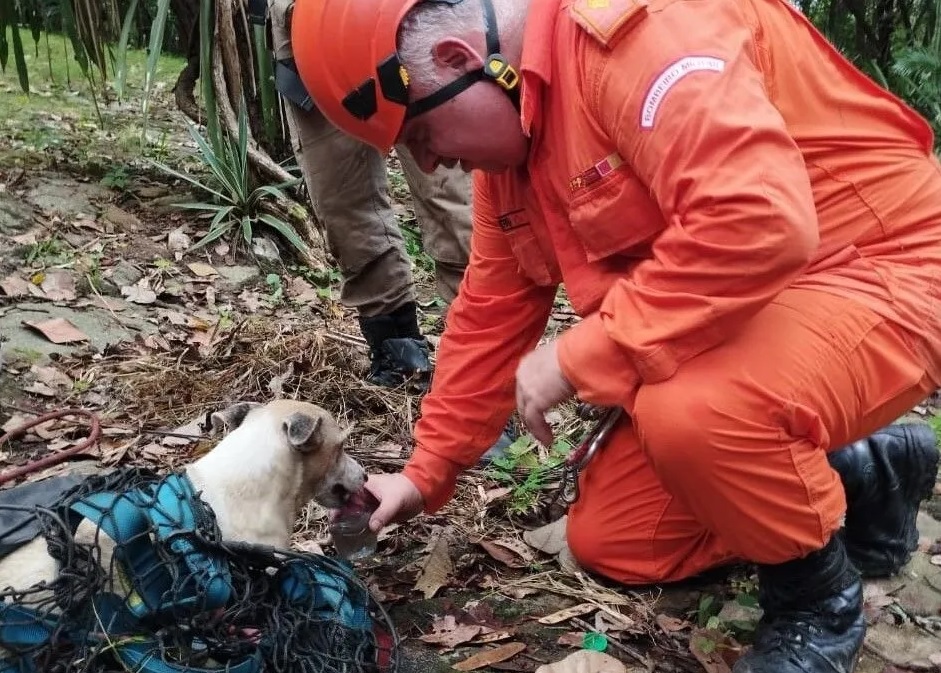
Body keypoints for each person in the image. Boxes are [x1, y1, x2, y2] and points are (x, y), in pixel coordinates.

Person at [290, 0, 941, 670]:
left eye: (420, 136)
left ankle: (818, 602)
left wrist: (581, 355)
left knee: (692, 414)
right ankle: (861, 467)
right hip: (748, 311)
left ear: (460, 61)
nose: (429, 166)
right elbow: (488, 311)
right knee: (620, 542)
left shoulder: (642, 35)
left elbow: (755, 221)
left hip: (879, 267)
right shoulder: (514, 154)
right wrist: (424, 475)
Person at [266, 0, 472, 389]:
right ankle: (396, 352)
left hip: (405, 12)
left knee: (450, 193)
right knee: (341, 201)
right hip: (303, 16)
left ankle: (480, 372)